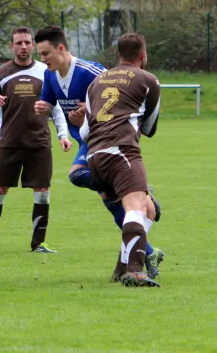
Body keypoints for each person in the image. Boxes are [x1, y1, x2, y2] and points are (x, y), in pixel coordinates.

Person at [33, 26, 164, 278]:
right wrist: (49, 112)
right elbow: (148, 127)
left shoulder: (94, 75)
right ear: (144, 56)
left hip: (93, 141)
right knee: (129, 204)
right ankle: (138, 264)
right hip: (114, 145)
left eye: (45, 53)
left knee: (99, 189)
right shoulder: (50, 76)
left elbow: (109, 97)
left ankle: (129, 262)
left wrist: (85, 116)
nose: (43, 59)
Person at [0, 26, 71, 253]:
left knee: (42, 190)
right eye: (19, 43)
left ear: (32, 45)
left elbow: (55, 108)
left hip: (39, 143)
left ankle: (39, 243)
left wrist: (63, 134)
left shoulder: (46, 71)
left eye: (27, 42)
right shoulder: (1, 73)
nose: (23, 47)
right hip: (8, 142)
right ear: (12, 46)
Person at [79, 32, 162, 287]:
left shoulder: (96, 83)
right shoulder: (149, 80)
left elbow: (84, 131)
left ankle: (122, 266)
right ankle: (135, 271)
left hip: (93, 155)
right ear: (143, 55)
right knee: (136, 207)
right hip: (122, 151)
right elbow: (149, 128)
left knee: (148, 209)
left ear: (118, 55)